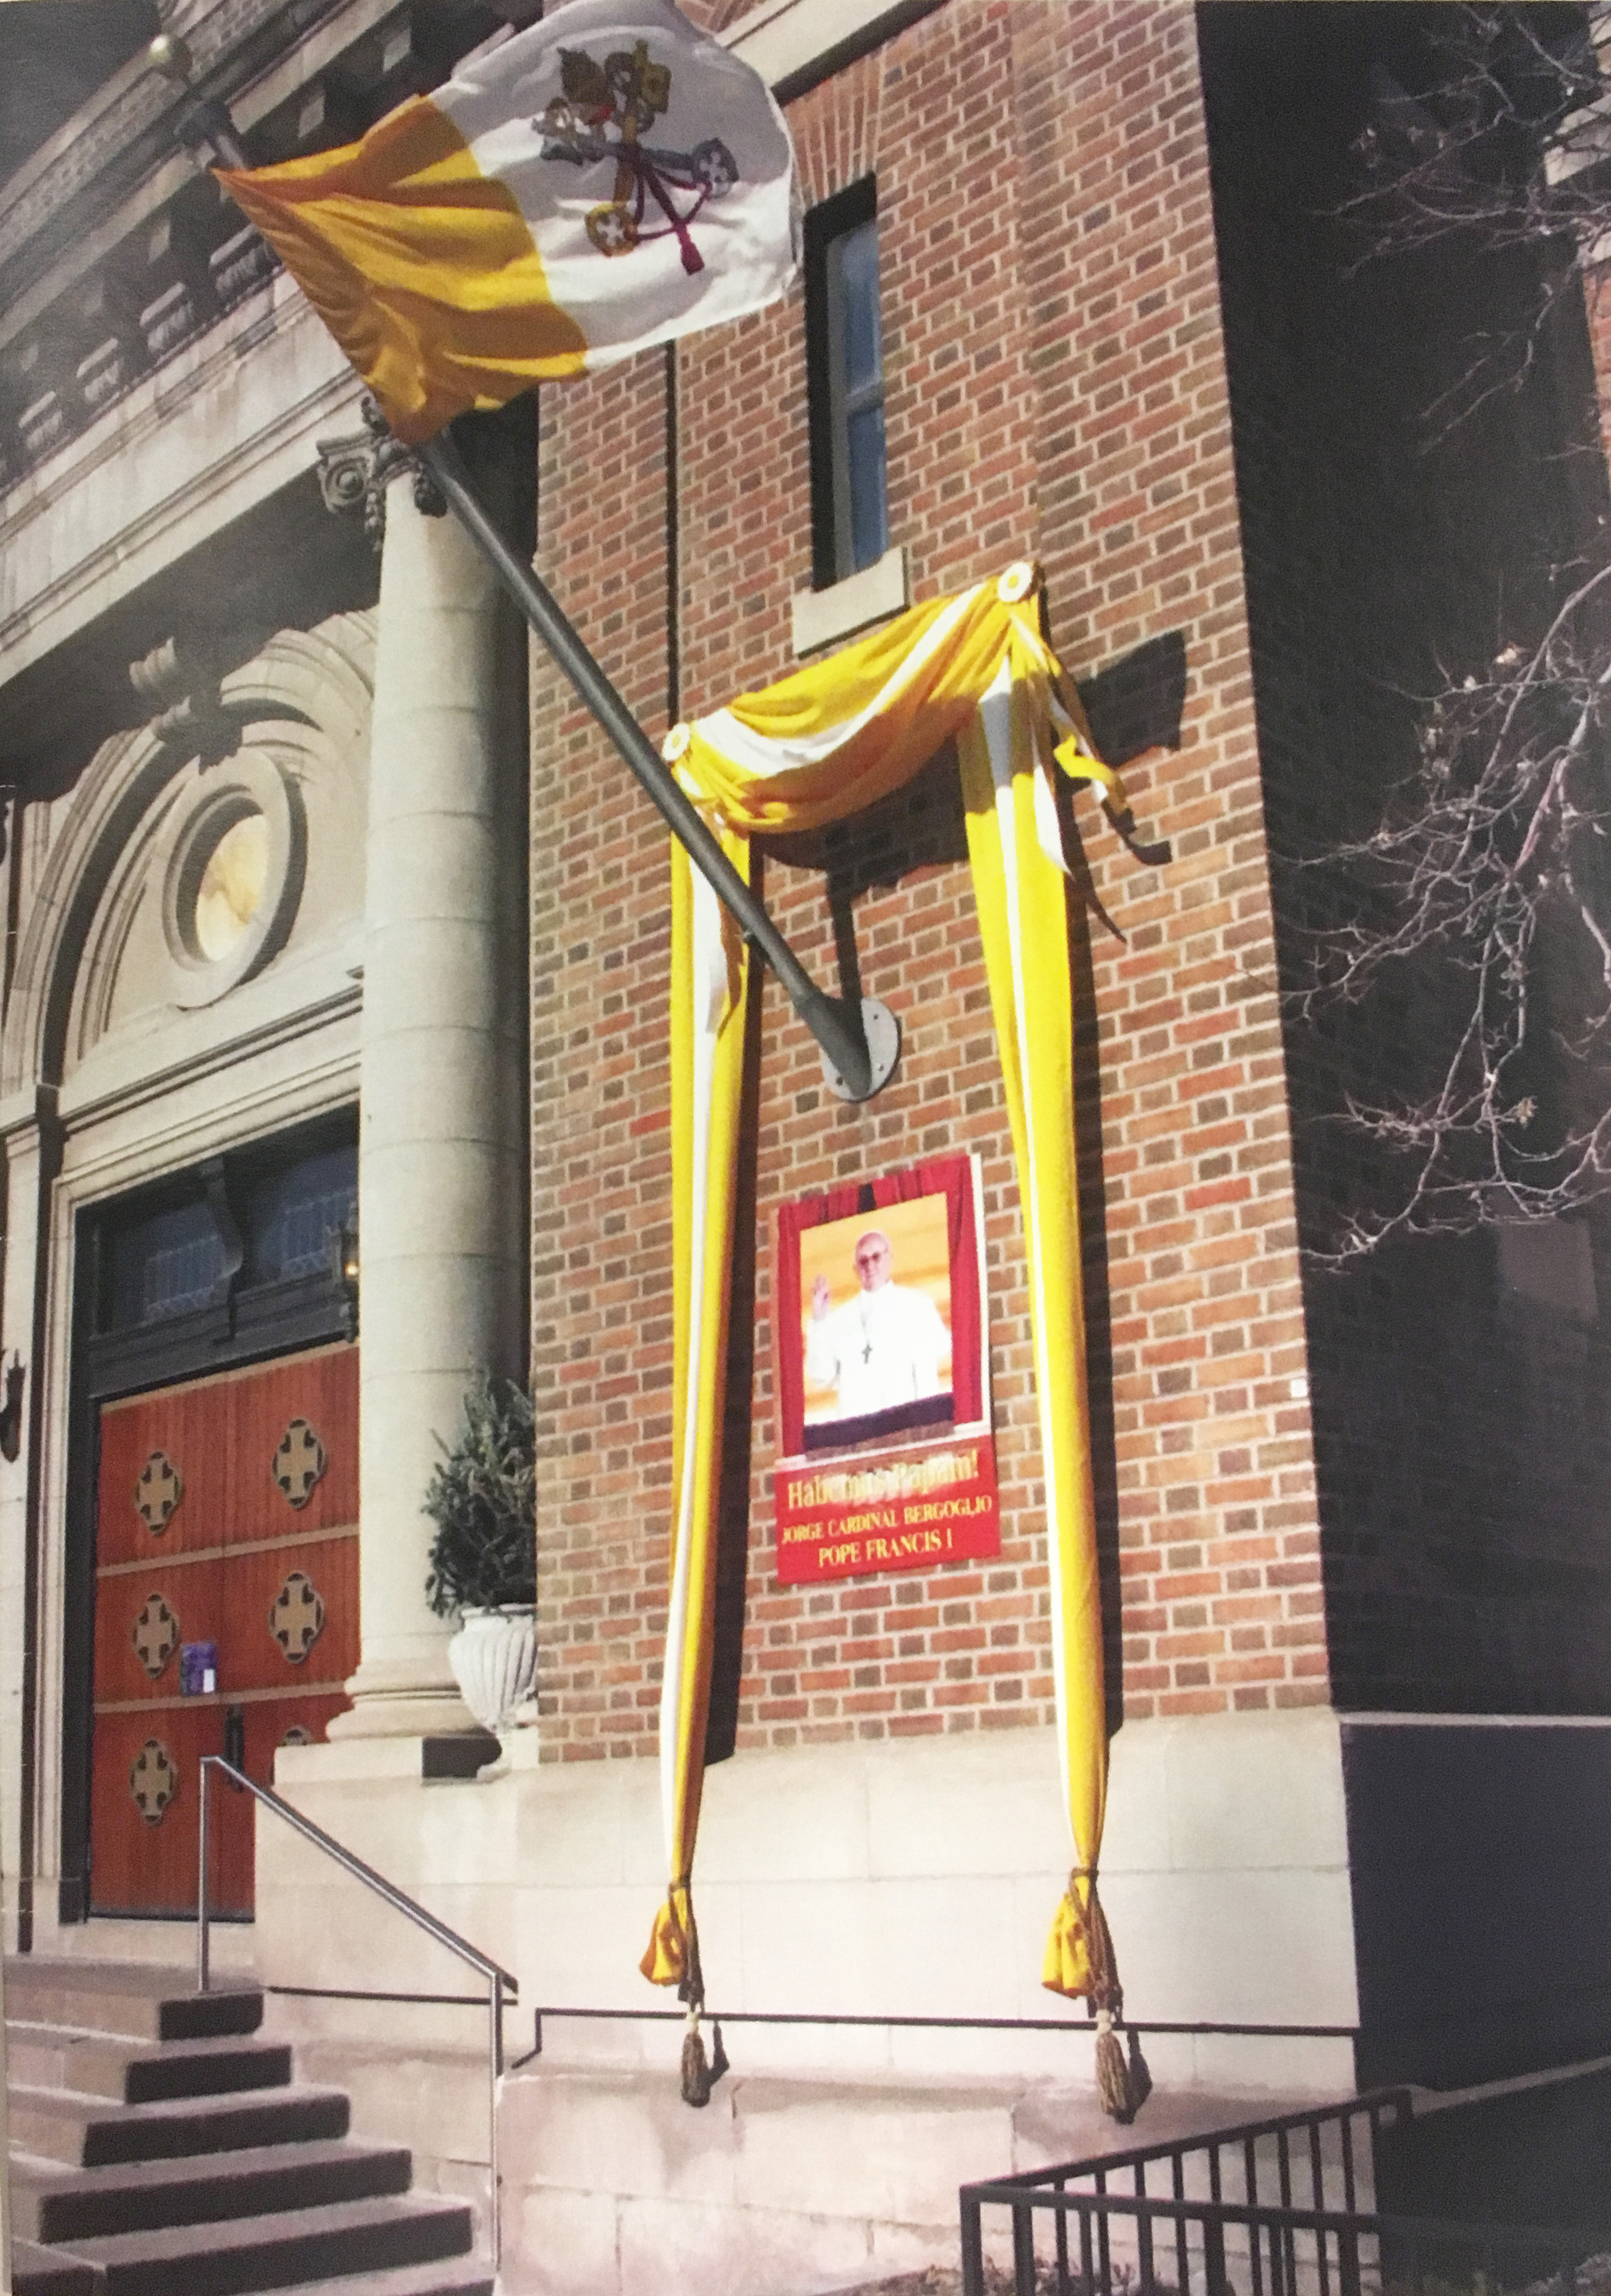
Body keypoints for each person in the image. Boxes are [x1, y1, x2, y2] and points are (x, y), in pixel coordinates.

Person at [803, 1229, 949, 1420]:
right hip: (857, 1427)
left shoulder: (917, 1304)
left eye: (876, 1257)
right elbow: (821, 1377)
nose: (869, 1265)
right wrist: (819, 1321)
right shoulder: (840, 1318)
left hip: (905, 1421)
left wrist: (927, 1420)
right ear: (856, 1269)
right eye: (863, 1261)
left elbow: (933, 1359)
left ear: (890, 1259)